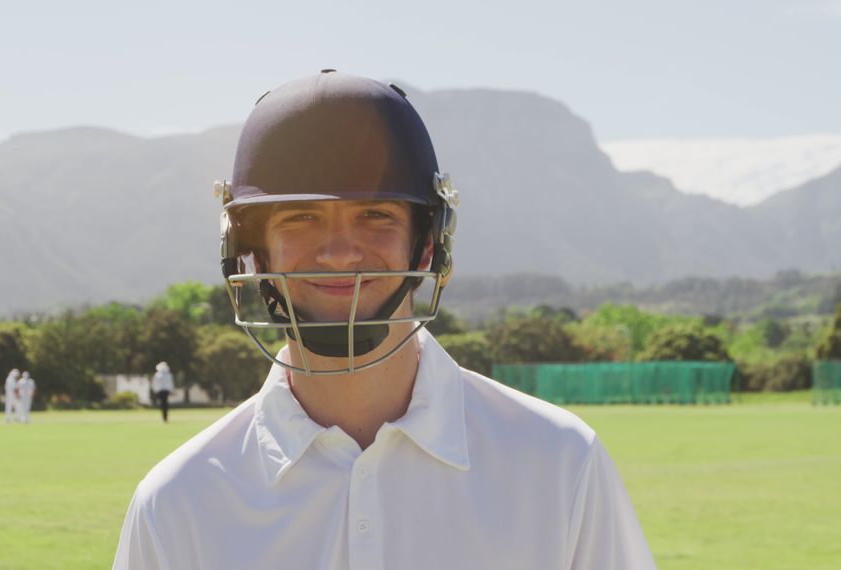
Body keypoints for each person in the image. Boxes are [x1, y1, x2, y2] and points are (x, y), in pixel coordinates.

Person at [113, 71, 654, 569]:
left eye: (374, 214)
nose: (339, 252)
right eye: (302, 217)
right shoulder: (177, 503)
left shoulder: (558, 463)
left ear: (425, 247)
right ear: (255, 254)